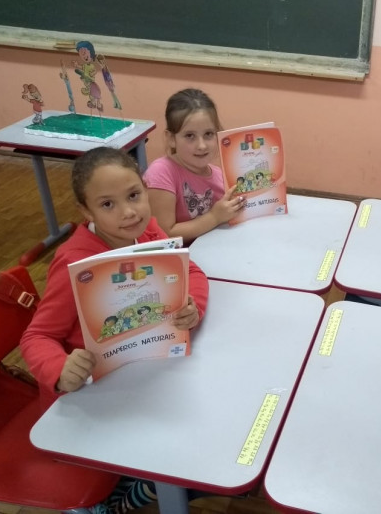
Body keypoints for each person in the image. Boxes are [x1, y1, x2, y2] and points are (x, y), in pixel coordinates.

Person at [20, 147, 210, 514]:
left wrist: (192, 306)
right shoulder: (75, 262)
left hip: (147, 371)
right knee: (175, 463)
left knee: (189, 437)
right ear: (86, 212)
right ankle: (112, 499)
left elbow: (192, 272)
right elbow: (36, 336)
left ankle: (131, 487)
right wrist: (59, 370)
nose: (128, 212)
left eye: (134, 195)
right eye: (108, 204)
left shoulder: (148, 232)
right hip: (89, 394)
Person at [144, 88, 244, 244]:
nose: (202, 145)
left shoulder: (219, 176)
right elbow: (163, 235)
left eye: (208, 134)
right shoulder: (161, 173)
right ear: (171, 139)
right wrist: (214, 217)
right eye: (190, 136)